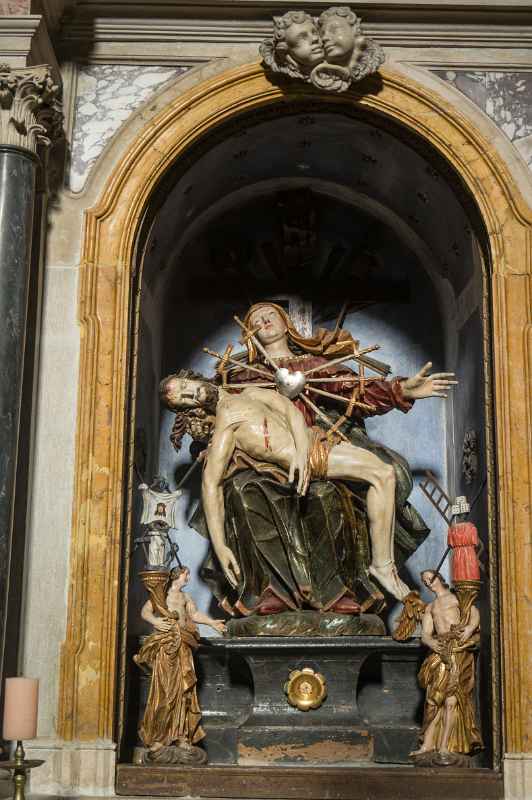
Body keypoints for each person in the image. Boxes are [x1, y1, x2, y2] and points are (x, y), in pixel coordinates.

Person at [134, 566, 225, 762]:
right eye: (186, 574)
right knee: (165, 691)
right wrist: (156, 622)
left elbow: (194, 615)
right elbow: (145, 611)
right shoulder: (161, 596)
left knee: (184, 693)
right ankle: (159, 738)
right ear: (177, 575)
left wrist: (211, 623)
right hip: (166, 646)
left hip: (183, 645)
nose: (189, 577)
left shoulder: (185, 598)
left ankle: (182, 736)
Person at [411, 570, 482, 759]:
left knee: (451, 701)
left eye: (429, 578)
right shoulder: (430, 607)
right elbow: (426, 634)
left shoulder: (455, 598)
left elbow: (473, 613)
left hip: (457, 649)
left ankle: (444, 746)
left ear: (439, 578)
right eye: (424, 581)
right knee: (433, 700)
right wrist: (432, 642)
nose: (427, 583)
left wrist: (469, 629)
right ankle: (427, 744)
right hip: (439, 650)